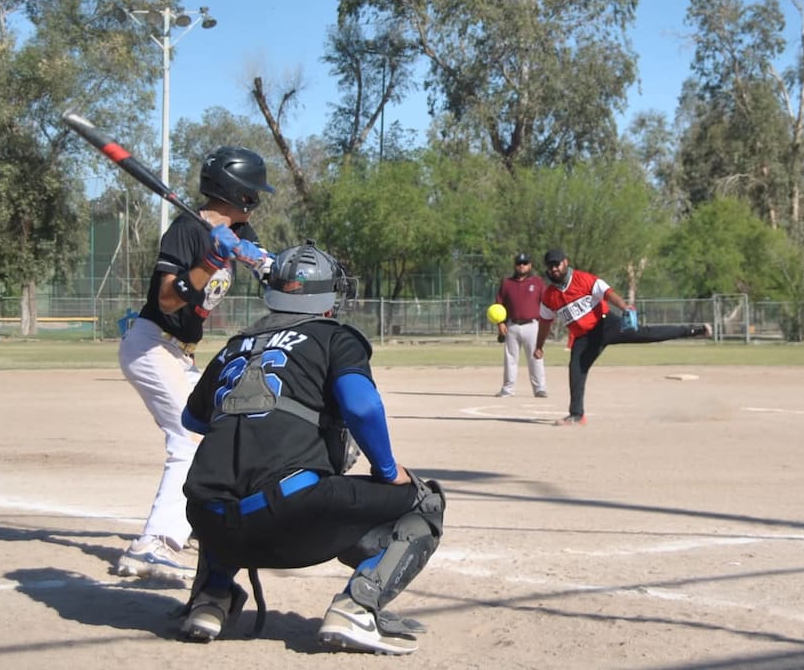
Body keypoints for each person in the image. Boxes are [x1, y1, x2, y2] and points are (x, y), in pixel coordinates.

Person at [177, 241, 445, 654]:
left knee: (223, 488)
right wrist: (389, 471)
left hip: (209, 522)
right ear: (328, 299)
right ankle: (357, 607)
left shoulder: (236, 344)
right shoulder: (334, 337)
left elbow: (193, 419)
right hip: (291, 517)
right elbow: (361, 405)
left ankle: (210, 599)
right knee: (424, 501)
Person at [115, 147, 275, 581]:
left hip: (181, 353)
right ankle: (153, 545)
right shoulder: (185, 232)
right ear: (239, 193)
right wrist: (210, 261)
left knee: (221, 429)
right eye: (253, 194)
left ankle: (203, 521)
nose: (256, 202)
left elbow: (272, 274)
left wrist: (253, 256)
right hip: (151, 346)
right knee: (188, 437)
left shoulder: (240, 230)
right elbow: (167, 298)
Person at [533, 248, 712, 426]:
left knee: (648, 334)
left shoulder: (583, 279)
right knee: (576, 370)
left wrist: (624, 307)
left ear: (566, 262)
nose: (554, 268)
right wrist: (539, 346)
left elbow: (608, 293)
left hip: (606, 325)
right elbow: (544, 322)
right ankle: (577, 415)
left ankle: (695, 330)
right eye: (550, 266)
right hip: (584, 338)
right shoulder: (549, 296)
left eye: (557, 264)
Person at [493, 252, 548, 398]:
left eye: (525, 263)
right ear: (515, 265)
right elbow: (499, 305)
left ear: (530, 265)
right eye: (519, 263)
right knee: (510, 359)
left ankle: (540, 388)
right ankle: (508, 389)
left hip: (532, 325)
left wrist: (545, 323)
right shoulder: (507, 283)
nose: (522, 266)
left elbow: (546, 303)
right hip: (512, 325)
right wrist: (500, 323)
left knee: (535, 357)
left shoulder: (537, 282)